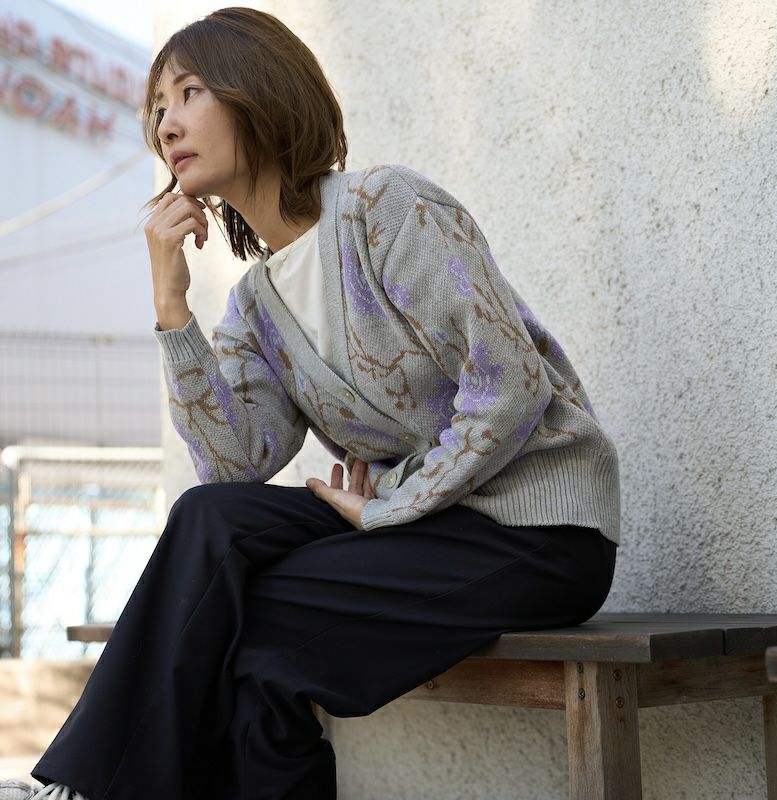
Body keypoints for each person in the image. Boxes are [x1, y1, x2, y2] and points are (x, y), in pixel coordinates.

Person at [0, 6, 620, 799]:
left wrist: (391, 505)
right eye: (156, 108)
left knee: (233, 620)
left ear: (258, 91)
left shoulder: (387, 210)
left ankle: (90, 786)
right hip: (423, 528)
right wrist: (172, 306)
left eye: (189, 93)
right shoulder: (257, 304)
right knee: (223, 555)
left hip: (537, 533)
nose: (166, 124)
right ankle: (96, 785)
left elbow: (510, 386)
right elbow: (234, 466)